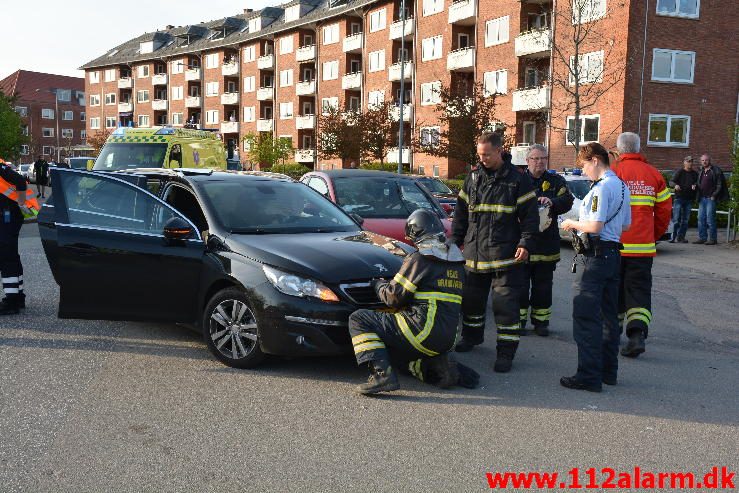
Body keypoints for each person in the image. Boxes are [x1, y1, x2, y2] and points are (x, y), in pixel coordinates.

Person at [347, 209, 479, 394]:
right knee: (401, 361)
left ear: (416, 235)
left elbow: (394, 297)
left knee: (359, 318)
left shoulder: (420, 259)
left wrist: (378, 285)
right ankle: (442, 369)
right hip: (448, 339)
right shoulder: (457, 264)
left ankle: (381, 376)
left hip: (421, 331)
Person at [451, 132, 539, 372]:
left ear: (500, 151)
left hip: (505, 255)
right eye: (480, 154)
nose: (483, 159)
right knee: (471, 302)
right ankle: (471, 337)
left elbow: (531, 218)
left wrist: (526, 243)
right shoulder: (473, 177)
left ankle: (506, 353)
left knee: (505, 307)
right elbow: (460, 214)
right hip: (474, 252)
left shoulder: (518, 180)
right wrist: (453, 242)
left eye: (487, 154)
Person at [560, 143, 631, 392]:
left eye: (584, 166)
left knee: (586, 316)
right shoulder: (622, 186)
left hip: (594, 257)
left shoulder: (601, 189)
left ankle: (588, 375)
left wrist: (572, 223)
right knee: (609, 317)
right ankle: (608, 372)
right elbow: (625, 226)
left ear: (596, 160)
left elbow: (596, 226)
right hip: (613, 255)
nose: (584, 172)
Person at [612, 132, 671, 358]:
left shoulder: (614, 173)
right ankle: (636, 336)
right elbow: (665, 211)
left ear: (619, 150)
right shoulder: (654, 174)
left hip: (616, 245)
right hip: (643, 248)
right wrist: (653, 234)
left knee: (614, 290)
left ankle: (612, 333)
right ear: (638, 148)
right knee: (638, 292)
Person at [519, 144, 574, 337]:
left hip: (546, 244)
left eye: (543, 158)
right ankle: (519, 322)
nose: (540, 162)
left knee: (543, 287)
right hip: (522, 243)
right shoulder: (519, 180)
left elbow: (568, 200)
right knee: (520, 286)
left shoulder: (555, 180)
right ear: (527, 161)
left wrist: (552, 202)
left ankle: (541, 322)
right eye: (535, 158)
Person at [0, 159, 34, 315]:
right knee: (11, 256)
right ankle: (18, 297)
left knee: (6, 256)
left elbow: (20, 181)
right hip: (8, 215)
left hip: (8, 216)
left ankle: (12, 302)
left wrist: (21, 204)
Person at [694, 154, 726, 245]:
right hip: (702, 198)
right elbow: (699, 183)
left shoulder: (715, 170)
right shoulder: (701, 171)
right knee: (700, 219)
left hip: (710, 199)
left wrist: (714, 195)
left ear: (709, 160)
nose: (704, 162)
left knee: (710, 219)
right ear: (701, 161)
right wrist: (695, 185)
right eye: (703, 160)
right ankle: (702, 238)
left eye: (706, 160)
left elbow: (719, 185)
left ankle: (713, 239)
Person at [669, 156, 698, 243]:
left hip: (689, 199)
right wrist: (675, 185)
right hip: (679, 198)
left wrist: (695, 185)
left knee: (685, 220)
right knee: (676, 219)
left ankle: (681, 237)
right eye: (688, 161)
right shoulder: (680, 172)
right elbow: (671, 182)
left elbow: (698, 182)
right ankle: (672, 237)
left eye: (691, 161)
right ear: (684, 162)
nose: (690, 163)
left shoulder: (695, 173)